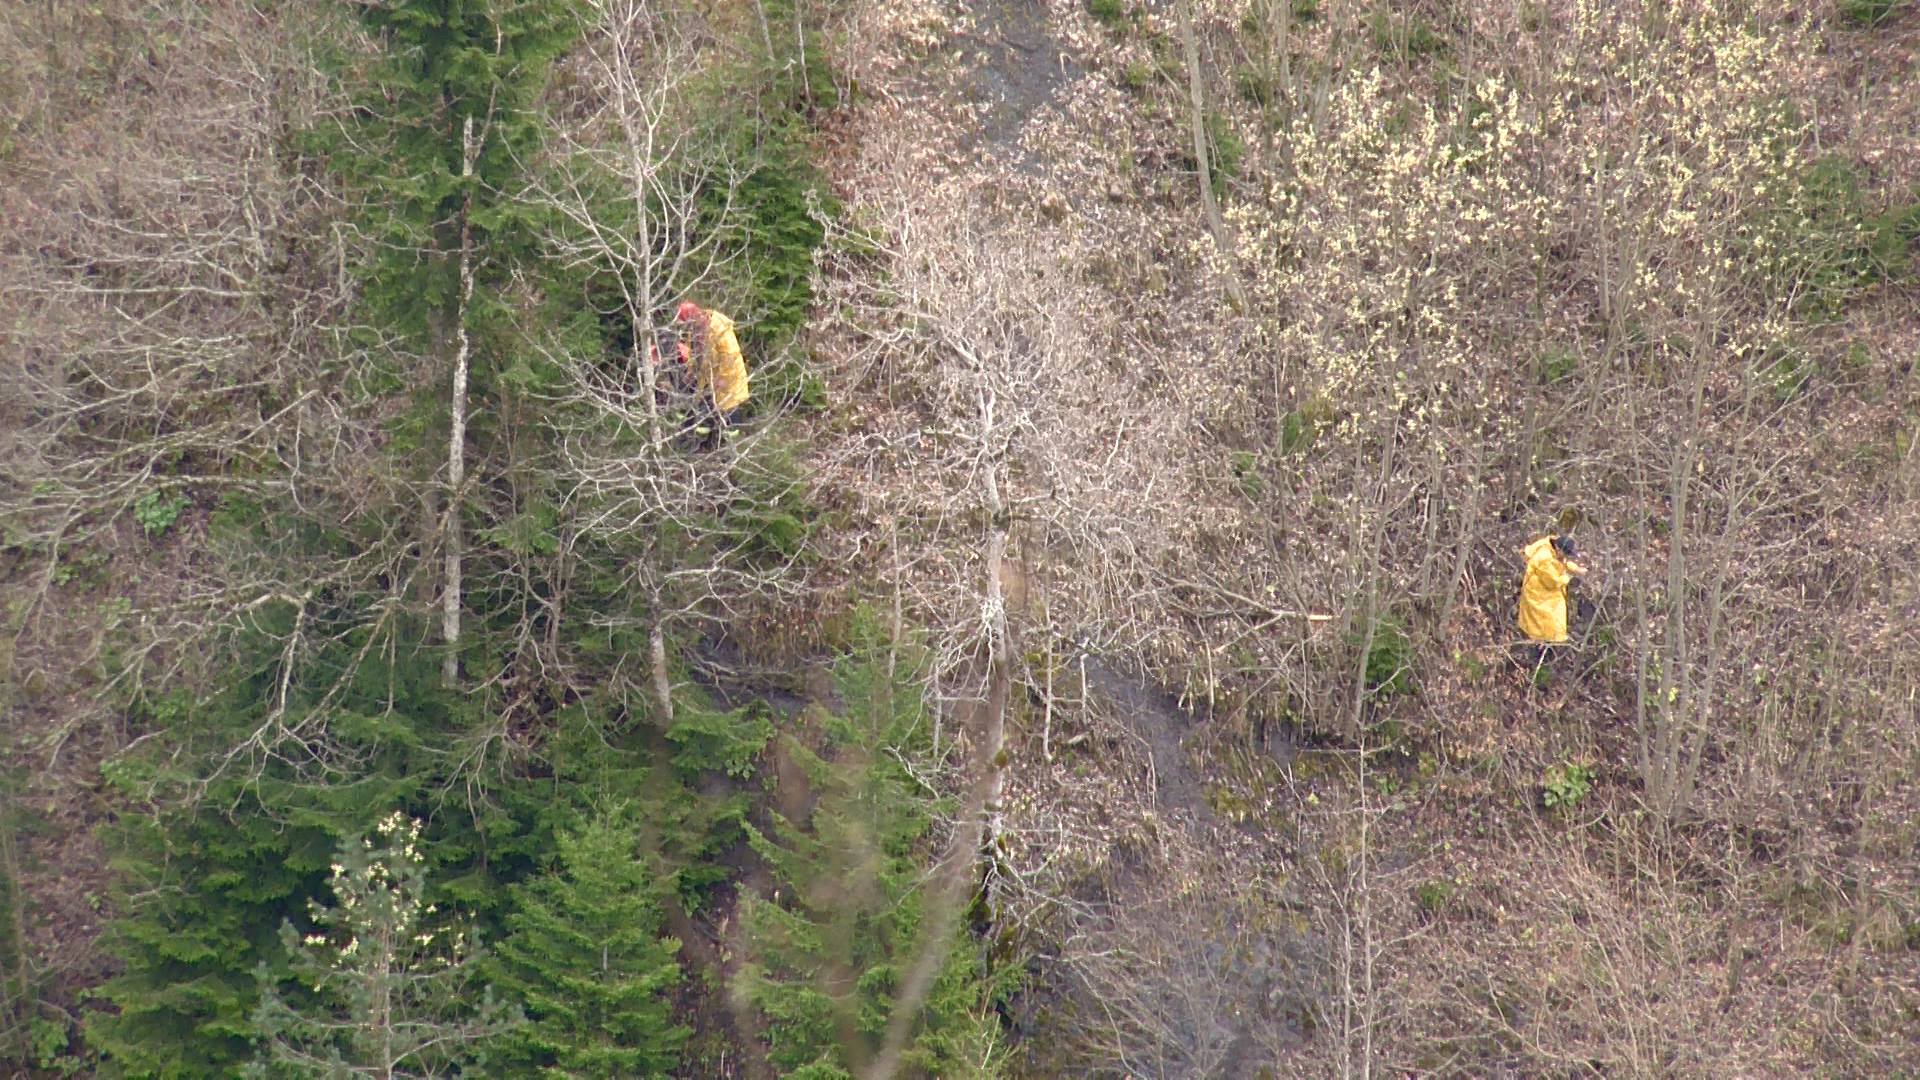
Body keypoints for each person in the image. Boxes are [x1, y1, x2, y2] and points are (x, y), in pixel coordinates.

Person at [675, 300, 750, 449]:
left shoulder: (719, 328)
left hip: (729, 381)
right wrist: (691, 370)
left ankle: (728, 453)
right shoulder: (696, 330)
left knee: (729, 419)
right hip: (709, 379)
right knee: (704, 415)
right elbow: (695, 353)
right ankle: (703, 448)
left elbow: (730, 356)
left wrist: (723, 378)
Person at [1518, 534, 1587, 654]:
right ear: (1559, 549)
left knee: (1548, 624)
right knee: (1545, 623)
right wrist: (1568, 577)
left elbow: (1561, 562)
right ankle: (1540, 649)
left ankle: (1546, 646)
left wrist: (1575, 569)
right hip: (1538, 596)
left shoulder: (1551, 549)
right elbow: (1553, 582)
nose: (1566, 557)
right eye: (1565, 553)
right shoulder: (1545, 559)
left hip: (1543, 592)